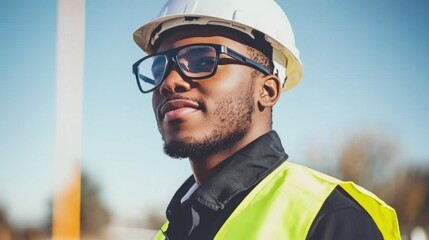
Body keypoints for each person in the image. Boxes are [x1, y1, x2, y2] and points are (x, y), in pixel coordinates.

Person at [132, 0, 401, 239]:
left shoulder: (330, 218)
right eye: (159, 69)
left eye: (203, 60)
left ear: (267, 90)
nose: (169, 82)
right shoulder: (169, 232)